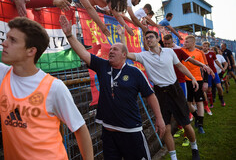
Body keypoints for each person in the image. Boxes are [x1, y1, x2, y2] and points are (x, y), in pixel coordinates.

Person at [0, 17, 93, 160]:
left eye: (12, 40)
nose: (4, 43)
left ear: (31, 51)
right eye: (6, 38)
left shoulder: (54, 87)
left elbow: (80, 128)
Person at [60, 15, 165, 160]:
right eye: (110, 49)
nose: (111, 51)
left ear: (124, 55)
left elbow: (150, 95)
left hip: (131, 132)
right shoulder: (103, 66)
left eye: (115, 49)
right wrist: (70, 35)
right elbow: (83, 53)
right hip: (109, 133)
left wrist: (159, 118)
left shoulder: (135, 72)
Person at [119, 30, 201, 160]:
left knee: (186, 123)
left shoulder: (169, 52)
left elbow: (180, 66)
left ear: (158, 39)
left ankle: (194, 148)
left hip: (175, 91)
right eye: (146, 38)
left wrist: (193, 78)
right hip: (160, 94)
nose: (148, 39)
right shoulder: (144, 55)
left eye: (151, 37)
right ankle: (174, 158)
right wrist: (122, 36)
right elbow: (127, 54)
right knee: (166, 128)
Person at [163, 34, 213, 146]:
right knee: (185, 105)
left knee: (193, 104)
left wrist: (205, 79)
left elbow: (197, 63)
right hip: (177, 81)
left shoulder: (196, 52)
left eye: (187, 42)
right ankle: (191, 121)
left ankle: (197, 126)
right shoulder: (168, 50)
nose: (184, 43)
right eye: (164, 44)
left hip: (194, 80)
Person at [181, 35, 209, 134]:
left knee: (199, 102)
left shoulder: (199, 52)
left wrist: (205, 81)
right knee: (187, 103)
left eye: (187, 42)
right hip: (186, 80)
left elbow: (205, 67)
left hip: (198, 80)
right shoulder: (182, 50)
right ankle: (197, 117)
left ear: (193, 43)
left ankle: (200, 125)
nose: (185, 43)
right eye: (185, 41)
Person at [202, 41, 226, 107]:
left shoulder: (212, 53)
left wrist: (221, 67)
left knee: (219, 87)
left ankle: (221, 99)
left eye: (206, 46)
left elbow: (216, 61)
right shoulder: (201, 54)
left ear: (208, 47)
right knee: (209, 89)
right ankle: (211, 104)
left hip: (214, 72)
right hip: (207, 73)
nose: (205, 47)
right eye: (204, 46)